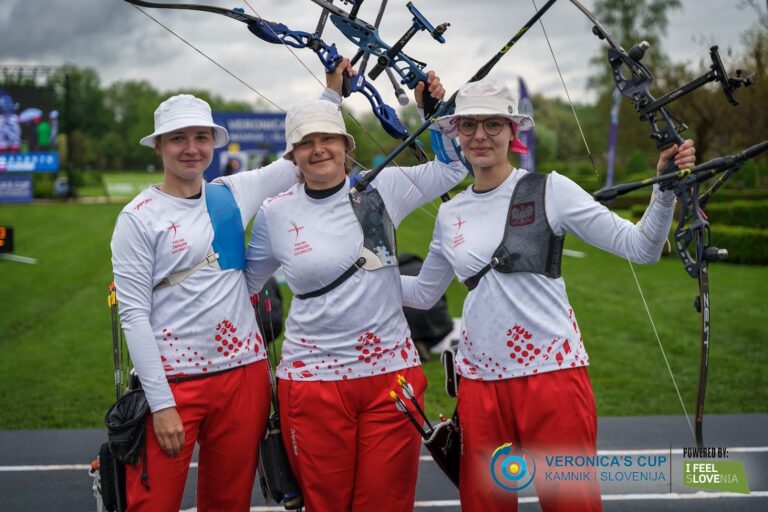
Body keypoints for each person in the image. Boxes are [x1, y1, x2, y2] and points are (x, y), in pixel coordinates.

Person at [400, 78, 696, 512]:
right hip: (480, 385)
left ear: (512, 132)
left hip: (552, 379)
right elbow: (425, 293)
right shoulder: (450, 212)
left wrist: (663, 190)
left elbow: (641, 248)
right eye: (469, 125)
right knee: (486, 504)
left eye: (493, 124)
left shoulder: (551, 189)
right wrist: (365, 270)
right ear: (455, 133)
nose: (480, 135)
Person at [110, 74, 343, 510]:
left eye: (201, 137)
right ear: (160, 146)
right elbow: (134, 316)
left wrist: (331, 94)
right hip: (174, 384)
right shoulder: (138, 217)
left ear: (213, 144)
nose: (191, 148)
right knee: (152, 503)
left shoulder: (231, 194)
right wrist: (161, 406)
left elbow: (297, 157)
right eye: (178, 139)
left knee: (229, 502)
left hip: (244, 376)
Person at [244, 69, 466, 511]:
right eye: (306, 143)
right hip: (311, 382)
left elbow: (454, 167)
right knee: (327, 503)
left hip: (390, 376)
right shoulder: (275, 212)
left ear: (347, 146)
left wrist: (435, 114)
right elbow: (246, 283)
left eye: (329, 138)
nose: (319, 149)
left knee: (385, 502)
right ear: (293, 156)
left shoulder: (383, 189)